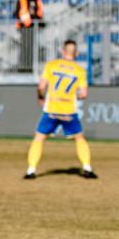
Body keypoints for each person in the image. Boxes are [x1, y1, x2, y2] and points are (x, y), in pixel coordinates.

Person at [25, 40, 96, 180]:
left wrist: (40, 97)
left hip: (52, 108)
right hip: (69, 110)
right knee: (79, 137)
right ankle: (87, 167)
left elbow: (41, 87)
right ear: (76, 53)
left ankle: (31, 170)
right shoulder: (80, 71)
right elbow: (83, 94)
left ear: (62, 51)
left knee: (39, 137)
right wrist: (73, 96)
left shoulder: (52, 65)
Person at [14, 0, 44, 69]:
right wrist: (25, 19)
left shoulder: (37, 0)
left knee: (32, 47)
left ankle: (31, 66)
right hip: (23, 27)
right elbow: (16, 13)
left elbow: (39, 14)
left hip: (33, 27)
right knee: (24, 46)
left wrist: (33, 19)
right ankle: (23, 65)